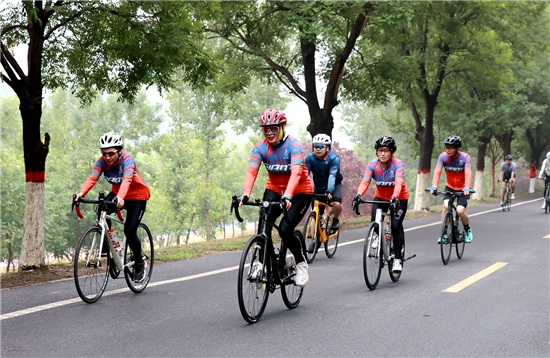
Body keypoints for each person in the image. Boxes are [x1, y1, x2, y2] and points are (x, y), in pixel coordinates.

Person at [239, 108, 313, 287]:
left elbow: (296, 173)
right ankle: (262, 263)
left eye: (273, 128)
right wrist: (245, 193)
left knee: (285, 229)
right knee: (263, 224)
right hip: (274, 189)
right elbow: (252, 170)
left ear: (281, 127)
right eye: (266, 129)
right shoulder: (260, 147)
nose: (269, 133)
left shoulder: (293, 145)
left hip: (299, 191)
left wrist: (288, 195)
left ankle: (301, 262)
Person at [72, 131, 150, 282]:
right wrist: (81, 194)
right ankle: (110, 249)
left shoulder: (127, 160)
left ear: (119, 151)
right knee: (102, 208)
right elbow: (92, 178)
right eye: (104, 153)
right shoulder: (102, 162)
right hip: (118, 194)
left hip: (137, 197)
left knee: (129, 230)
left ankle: (139, 262)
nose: (107, 157)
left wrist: (121, 197)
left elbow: (127, 179)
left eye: (111, 153)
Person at [352, 136, 409, 273]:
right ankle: (377, 237)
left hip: (399, 198)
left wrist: (395, 196)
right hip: (380, 197)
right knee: (375, 221)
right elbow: (365, 181)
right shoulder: (372, 165)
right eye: (379, 150)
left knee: (395, 226)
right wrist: (359, 194)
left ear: (392, 152)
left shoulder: (397, 164)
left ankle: (397, 259)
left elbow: (399, 182)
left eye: (386, 150)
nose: (382, 153)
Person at [428, 135, 473, 243]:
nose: (447, 150)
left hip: (463, 189)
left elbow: (468, 173)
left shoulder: (465, 157)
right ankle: (444, 233)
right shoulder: (443, 157)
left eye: (450, 148)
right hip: (450, 187)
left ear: (457, 148)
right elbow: (437, 171)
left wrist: (467, 187)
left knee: (460, 210)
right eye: (446, 147)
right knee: (445, 206)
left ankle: (467, 229)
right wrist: (434, 185)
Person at [304, 133, 344, 236]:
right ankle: (314, 240)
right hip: (319, 187)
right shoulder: (310, 158)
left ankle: (335, 219)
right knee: (316, 213)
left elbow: (332, 176)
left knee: (336, 204)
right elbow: (305, 175)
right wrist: (304, 189)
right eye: (315, 146)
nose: (317, 149)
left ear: (327, 148)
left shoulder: (333, 159)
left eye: (321, 146)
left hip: (334, 186)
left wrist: (330, 190)